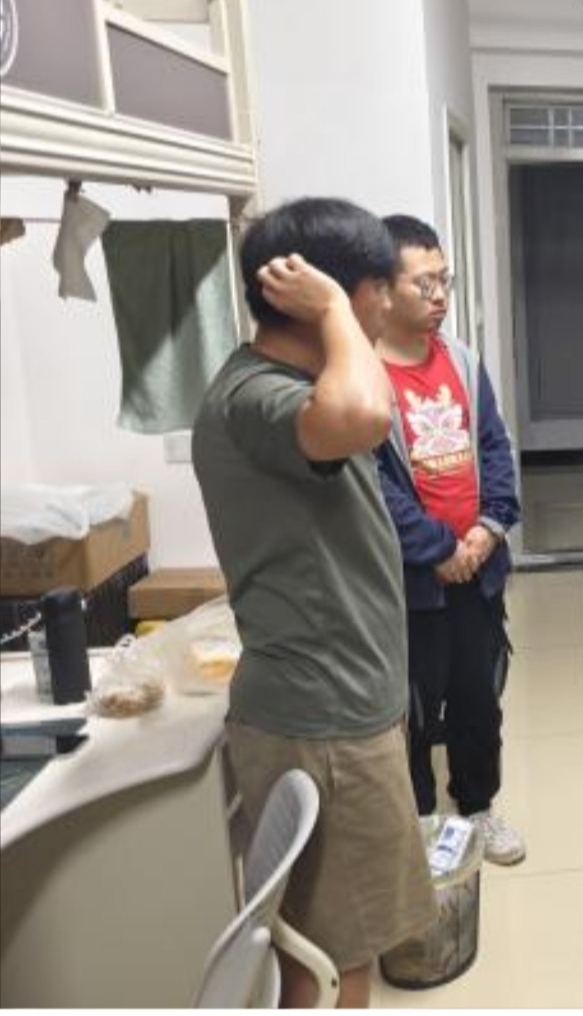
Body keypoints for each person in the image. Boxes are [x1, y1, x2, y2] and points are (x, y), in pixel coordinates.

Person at [192, 197, 436, 1007]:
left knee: (329, 946)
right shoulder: (256, 395)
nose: (389, 305)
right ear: (320, 292)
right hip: (322, 719)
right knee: (333, 961)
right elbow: (365, 414)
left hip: (340, 707)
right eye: (378, 287)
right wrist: (333, 306)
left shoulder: (300, 385)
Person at [374, 214, 525, 866]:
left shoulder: (461, 358)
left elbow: (494, 445)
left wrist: (488, 528)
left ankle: (479, 808)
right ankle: (420, 825)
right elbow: (376, 485)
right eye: (424, 283)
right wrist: (436, 550)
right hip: (413, 585)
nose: (440, 296)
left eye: (445, 281)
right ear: (382, 288)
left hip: (477, 570)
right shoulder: (363, 375)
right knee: (409, 709)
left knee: (477, 699)